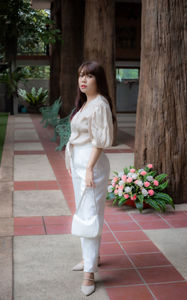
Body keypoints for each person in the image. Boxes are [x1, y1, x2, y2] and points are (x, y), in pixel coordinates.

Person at [65, 61, 114, 296]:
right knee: (85, 213)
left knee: (89, 216)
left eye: (89, 76)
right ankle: (91, 259)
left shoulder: (100, 105)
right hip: (80, 165)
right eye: (80, 75)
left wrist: (88, 169)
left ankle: (89, 273)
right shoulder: (85, 103)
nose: (83, 80)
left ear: (99, 80)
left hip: (90, 167)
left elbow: (99, 141)